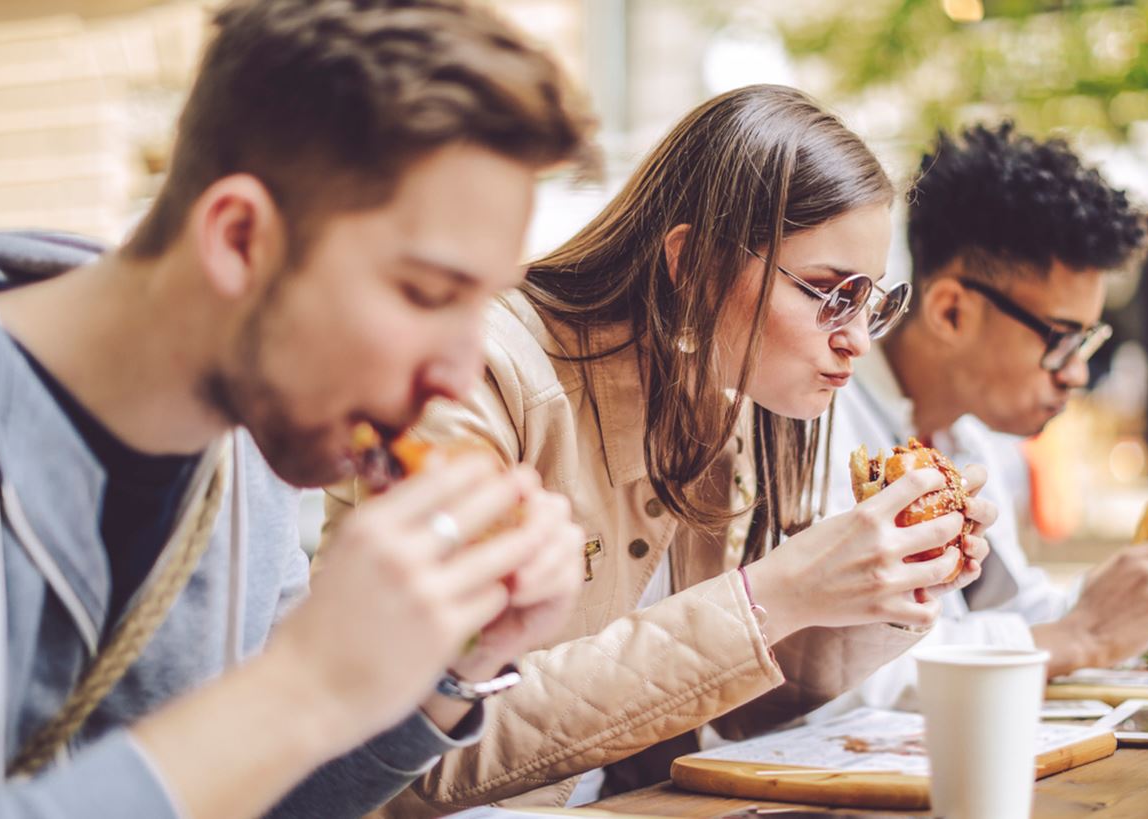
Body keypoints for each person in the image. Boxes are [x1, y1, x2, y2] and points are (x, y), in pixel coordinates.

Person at [0, 1, 592, 816]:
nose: (459, 374)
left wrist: (454, 664)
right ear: (240, 238)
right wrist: (304, 685)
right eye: (426, 294)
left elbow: (251, 793)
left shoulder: (261, 438)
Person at [333, 84, 997, 815]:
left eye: (868, 299)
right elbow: (423, 750)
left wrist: (879, 596)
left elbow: (713, 716)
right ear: (691, 263)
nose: (857, 337)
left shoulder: (724, 396)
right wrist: (771, 596)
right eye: (825, 291)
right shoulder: (477, 375)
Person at [823, 123, 1148, 707]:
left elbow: (1013, 614)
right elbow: (846, 675)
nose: (1074, 373)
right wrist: (1082, 634)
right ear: (950, 312)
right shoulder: (823, 427)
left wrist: (1147, 602)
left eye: (1086, 344)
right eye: (1060, 339)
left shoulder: (969, 439)